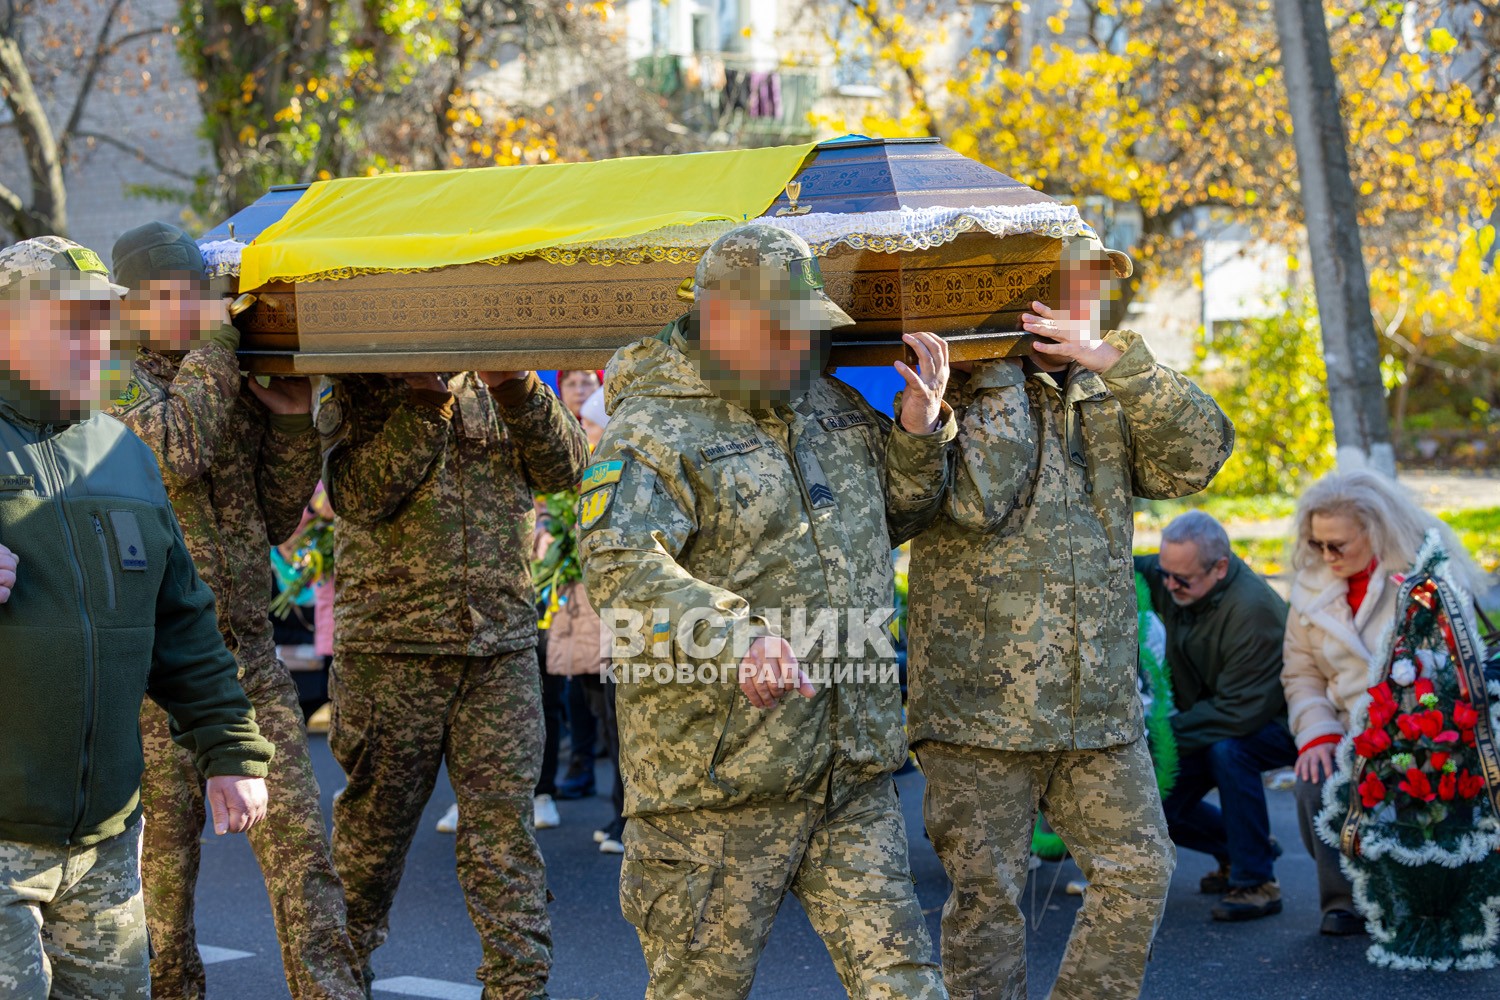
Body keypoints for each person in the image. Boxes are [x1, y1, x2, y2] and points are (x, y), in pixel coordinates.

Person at [580, 223, 956, 999]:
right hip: (717, 788)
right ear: (721, 321)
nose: (798, 353)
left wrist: (919, 438)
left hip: (847, 771)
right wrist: (737, 639)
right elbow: (620, 566)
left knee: (908, 984)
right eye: (781, 333)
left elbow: (888, 519)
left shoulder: (831, 405)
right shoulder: (653, 428)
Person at [907, 234, 1235, 1000]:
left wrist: (1122, 366)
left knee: (1140, 871)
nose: (1080, 306)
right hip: (978, 710)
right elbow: (954, 505)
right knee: (986, 904)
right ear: (1019, 296)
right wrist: (969, 396)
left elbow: (1201, 455)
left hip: (1097, 707)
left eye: (1092, 289)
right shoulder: (958, 382)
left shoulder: (1112, 389)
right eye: (1063, 287)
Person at [1, 236, 273, 999]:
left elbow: (181, 617)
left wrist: (228, 746)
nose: (94, 341)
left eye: (100, 320)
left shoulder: (124, 451)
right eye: (67, 321)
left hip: (108, 842)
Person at [105, 222, 364, 1000]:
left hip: (246, 658)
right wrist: (220, 342)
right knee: (163, 875)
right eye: (173, 298)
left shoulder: (222, 379)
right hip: (152, 670)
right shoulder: (111, 380)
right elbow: (175, 447)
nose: (192, 311)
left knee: (301, 856)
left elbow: (276, 516)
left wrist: (288, 420)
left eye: (200, 296)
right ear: (133, 303)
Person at [318, 356, 589, 995]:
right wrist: (420, 397)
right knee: (369, 849)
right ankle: (337, 985)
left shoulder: (505, 377)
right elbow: (356, 496)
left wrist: (516, 386)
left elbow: (570, 469)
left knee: (505, 842)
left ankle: (520, 989)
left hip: (499, 645)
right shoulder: (359, 376)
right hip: (392, 649)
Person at [1281, 469, 1491, 936]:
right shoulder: (1310, 588)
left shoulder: (1424, 578)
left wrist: (1401, 730)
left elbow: (1453, 666)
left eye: (1339, 545)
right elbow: (1301, 673)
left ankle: (1430, 894)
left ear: (1375, 534)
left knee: (1419, 780)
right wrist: (1317, 732)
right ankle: (1344, 900)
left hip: (1420, 723)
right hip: (1343, 725)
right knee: (1315, 779)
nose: (1326, 556)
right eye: (1317, 544)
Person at [1136, 510, 1296, 922]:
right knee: (1155, 802)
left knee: (1229, 752)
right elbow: (1122, 569)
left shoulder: (1252, 611)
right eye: (1164, 572)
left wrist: (1158, 739)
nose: (1167, 585)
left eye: (1181, 579)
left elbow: (1236, 712)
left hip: (1273, 721)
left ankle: (1257, 881)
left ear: (1220, 567)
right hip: (1209, 716)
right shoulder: (1174, 575)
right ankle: (1242, 845)